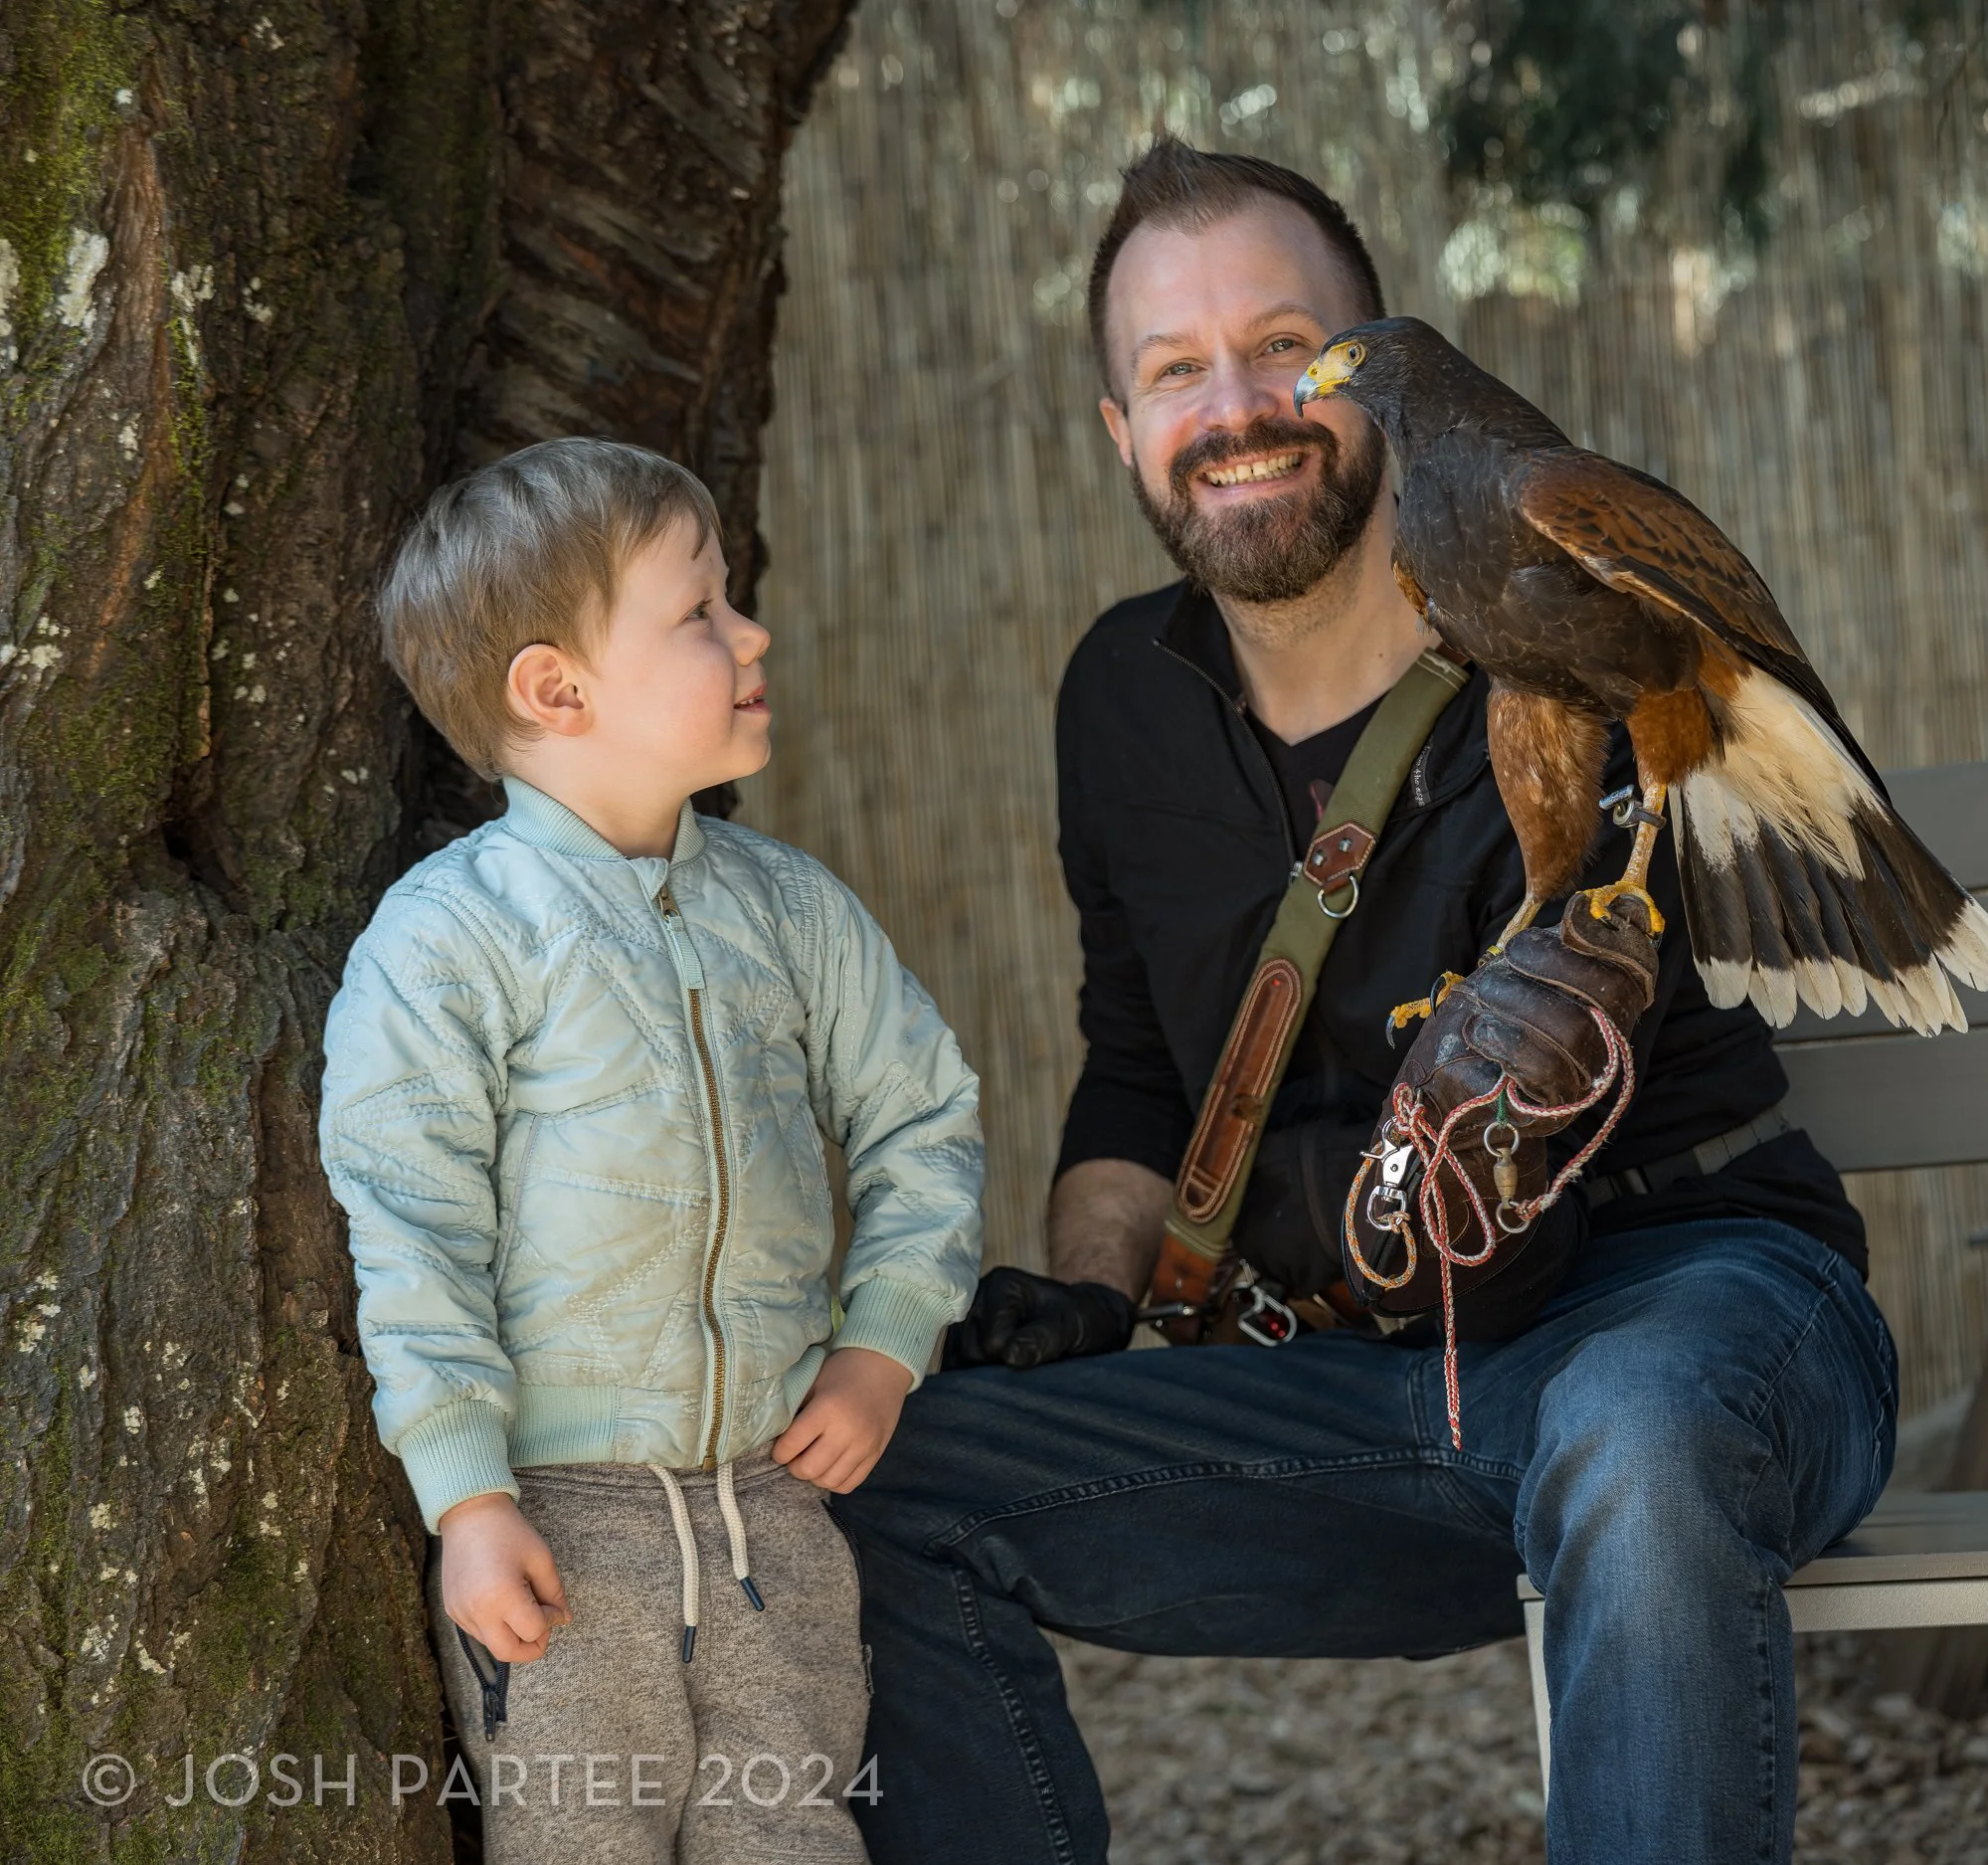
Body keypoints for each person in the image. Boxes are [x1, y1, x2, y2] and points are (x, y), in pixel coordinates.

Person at [840, 140, 1897, 1865]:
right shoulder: (1121, 698)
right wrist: (1099, 1294)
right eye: (1175, 370)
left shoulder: (1566, 626)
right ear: (1123, 432)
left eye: (1283, 344)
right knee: (886, 1479)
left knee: (1631, 1438)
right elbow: (1134, 1069)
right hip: (1367, 1392)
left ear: (1379, 366)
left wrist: (1328, 1198)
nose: (1237, 405)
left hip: (1684, 1316)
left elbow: (1547, 1152)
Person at [317, 438, 984, 1862]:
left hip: (777, 1519)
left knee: (795, 1834)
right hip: (558, 1536)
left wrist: (884, 1340)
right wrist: (468, 1495)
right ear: (556, 689)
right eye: (700, 611)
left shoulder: (791, 913)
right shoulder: (447, 943)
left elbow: (922, 1114)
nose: (752, 634)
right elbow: (412, 1219)